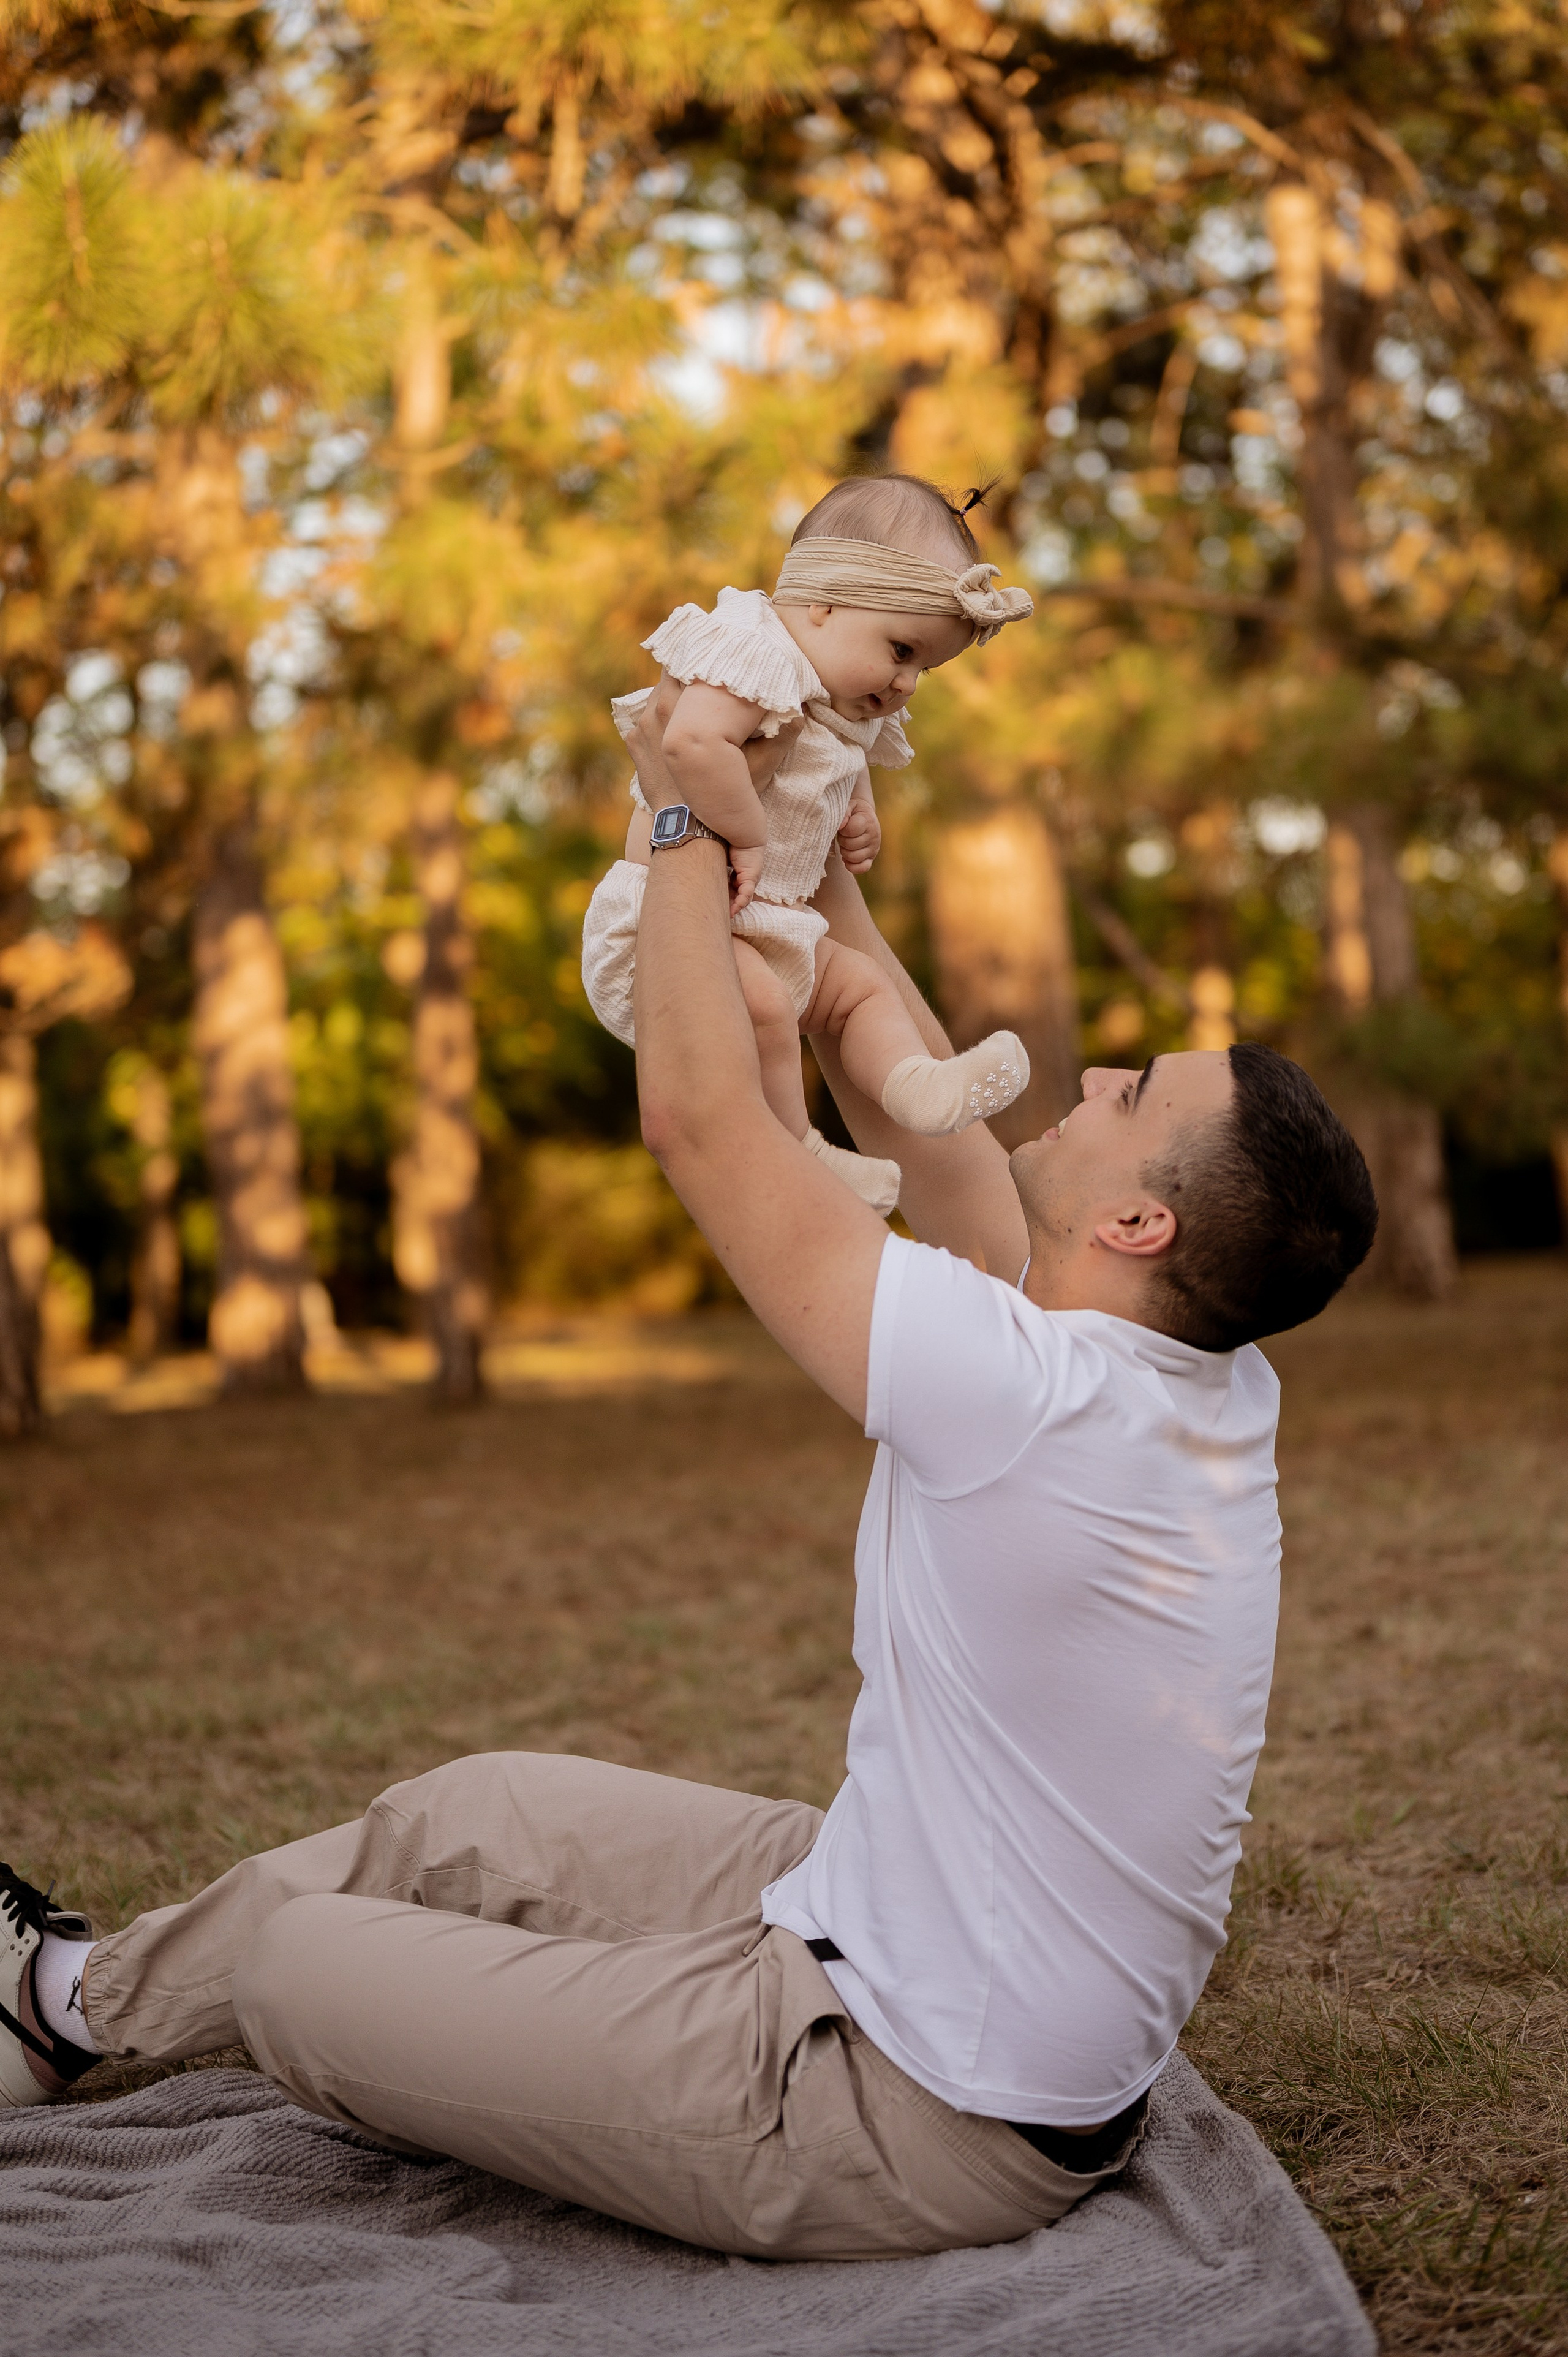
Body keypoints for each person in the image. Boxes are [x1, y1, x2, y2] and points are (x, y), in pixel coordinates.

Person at [0, 709, 1378, 2263]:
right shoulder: (1182, 1366)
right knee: (475, 1814)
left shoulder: (1034, 1394)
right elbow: (905, 1083)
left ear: (1135, 1227)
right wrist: (814, 816)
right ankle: (62, 2003)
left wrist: (674, 817)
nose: (1104, 1066)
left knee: (296, 1972)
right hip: (886, 1911)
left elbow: (698, 1122)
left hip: (906, 2105)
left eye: (1136, 1095)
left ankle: (97, 1999)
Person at [581, 472, 1038, 1214]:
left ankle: (916, 1084)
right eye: (901, 649)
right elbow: (692, 744)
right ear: (822, 604)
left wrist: (858, 813)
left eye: (924, 667)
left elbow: (836, 765)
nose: (907, 683)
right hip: (663, 938)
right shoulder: (751, 651)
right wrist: (750, 836)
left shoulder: (839, 697)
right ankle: (798, 1146)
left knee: (860, 988)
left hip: (769, 927)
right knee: (761, 1000)